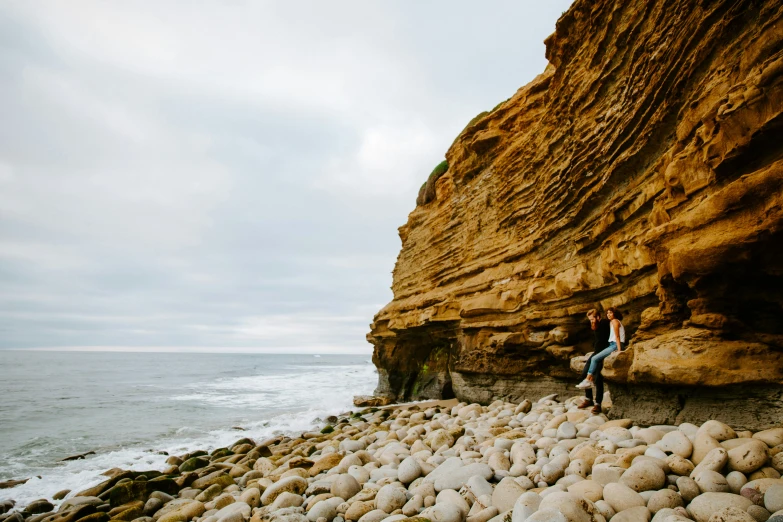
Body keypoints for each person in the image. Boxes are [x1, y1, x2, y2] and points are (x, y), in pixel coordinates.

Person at [576, 307, 626, 395]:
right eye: (607, 313)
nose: (608, 315)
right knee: (595, 359)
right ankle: (589, 381)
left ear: (614, 313)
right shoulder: (611, 322)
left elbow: (617, 337)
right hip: (612, 344)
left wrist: (619, 350)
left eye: (610, 313)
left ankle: (588, 380)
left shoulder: (614, 321)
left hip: (615, 344)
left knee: (595, 359)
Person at [577, 309, 610, 414]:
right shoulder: (595, 325)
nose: (591, 321)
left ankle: (598, 404)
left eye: (592, 319)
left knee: (597, 378)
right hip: (596, 352)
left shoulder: (605, 323)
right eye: (589, 319)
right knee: (584, 374)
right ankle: (588, 399)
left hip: (603, 352)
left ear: (598, 317)